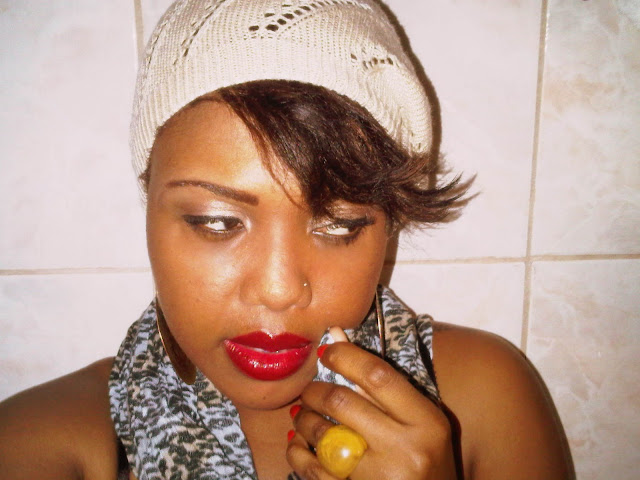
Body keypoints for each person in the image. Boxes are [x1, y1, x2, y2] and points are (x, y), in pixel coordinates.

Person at [0, 0, 574, 479]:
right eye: (216, 221)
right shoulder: (39, 441)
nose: (278, 290)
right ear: (148, 206)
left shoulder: (484, 404)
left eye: (338, 226)